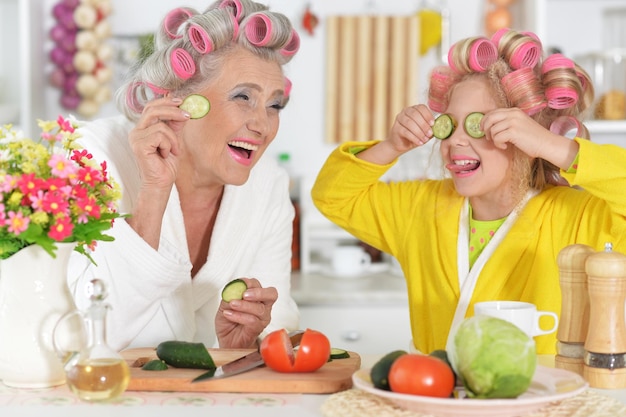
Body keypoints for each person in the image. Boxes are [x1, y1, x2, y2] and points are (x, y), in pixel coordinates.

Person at [311, 28, 626, 355]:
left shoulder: (579, 218)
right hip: (434, 396)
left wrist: (553, 146)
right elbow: (332, 196)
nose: (455, 141)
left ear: (526, 136)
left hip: (535, 400)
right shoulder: (421, 207)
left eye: (480, 125)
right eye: (448, 124)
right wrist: (392, 146)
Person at [67, 0, 301, 351]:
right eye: (243, 97)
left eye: (274, 105)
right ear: (181, 99)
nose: (263, 125)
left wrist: (243, 341)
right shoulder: (94, 157)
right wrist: (154, 191)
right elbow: (95, 333)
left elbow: (277, 331)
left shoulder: (268, 186)